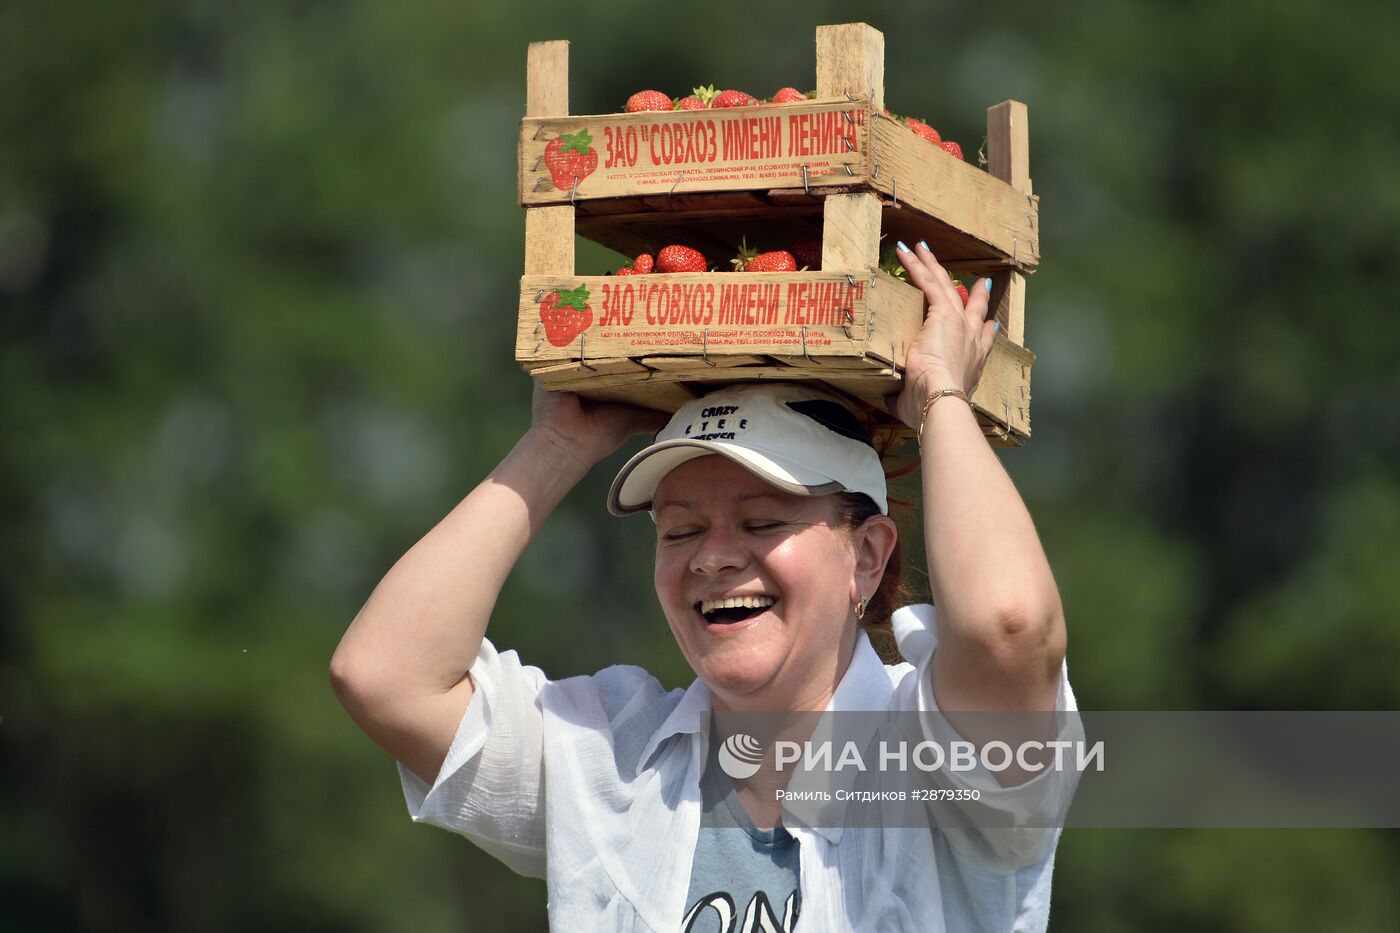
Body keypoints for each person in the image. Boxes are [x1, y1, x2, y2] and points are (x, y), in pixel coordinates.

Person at [330, 242, 1075, 931]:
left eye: (760, 521)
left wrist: (939, 395)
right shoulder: (611, 762)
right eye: (679, 529)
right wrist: (555, 446)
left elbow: (1008, 623)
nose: (713, 558)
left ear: (868, 556)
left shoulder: (942, 763)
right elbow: (385, 676)